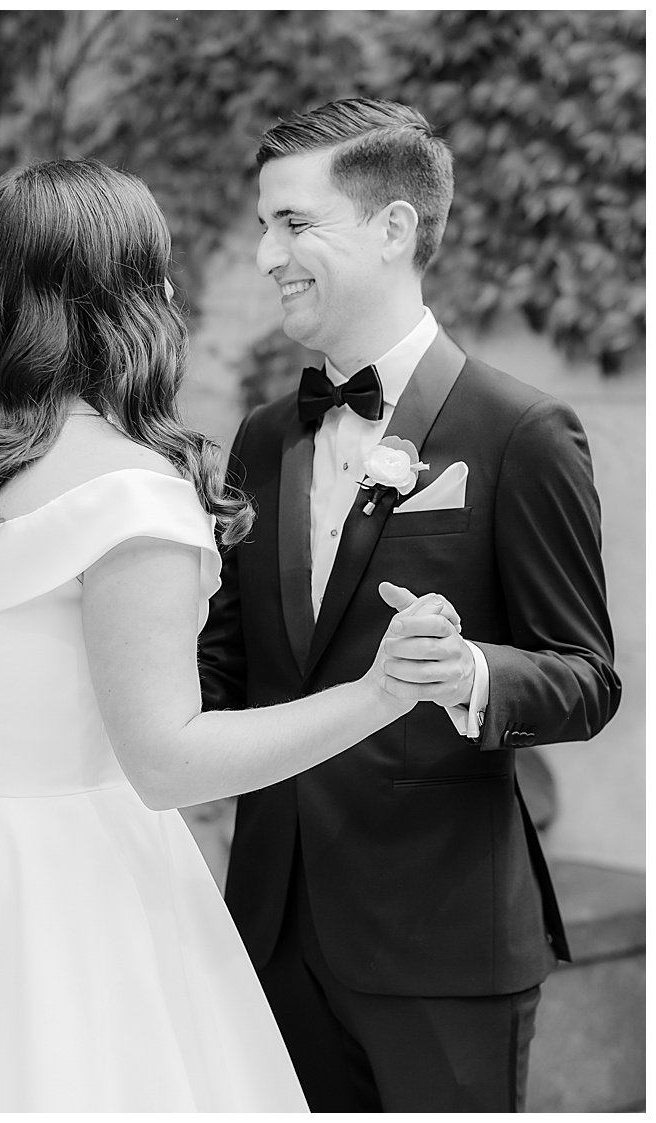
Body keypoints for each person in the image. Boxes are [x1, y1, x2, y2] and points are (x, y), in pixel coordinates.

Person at [0, 158, 463, 1112]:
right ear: (134, 294)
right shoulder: (132, 496)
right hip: (67, 895)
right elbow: (165, 761)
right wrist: (378, 692)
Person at [199, 97, 620, 1112]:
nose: (267, 254)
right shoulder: (262, 437)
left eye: (294, 224)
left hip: (445, 951)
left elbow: (586, 675)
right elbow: (227, 666)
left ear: (394, 229)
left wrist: (471, 671)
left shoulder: (523, 431)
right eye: (264, 224)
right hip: (270, 932)